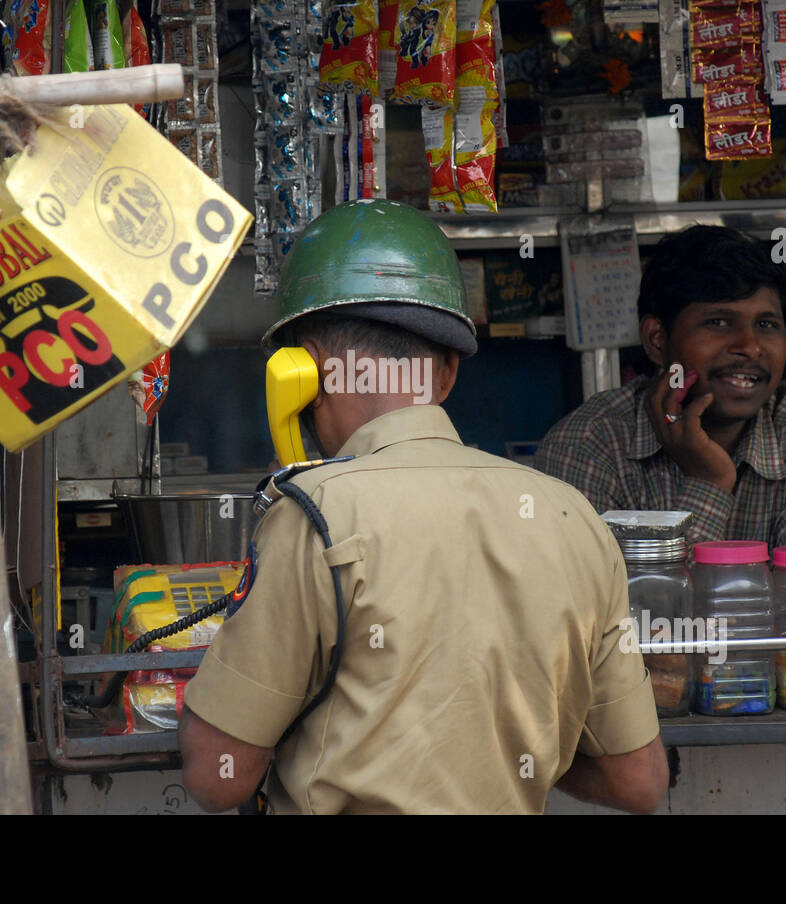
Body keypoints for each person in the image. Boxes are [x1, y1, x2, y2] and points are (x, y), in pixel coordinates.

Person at [178, 199, 667, 814]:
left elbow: (216, 778)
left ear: (299, 372)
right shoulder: (573, 518)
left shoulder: (314, 517)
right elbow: (639, 782)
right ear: (447, 375)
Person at [536, 224, 786, 549]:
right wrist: (708, 484)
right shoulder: (590, 444)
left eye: (766, 324)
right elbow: (612, 602)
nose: (750, 347)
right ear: (657, 340)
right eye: (719, 322)